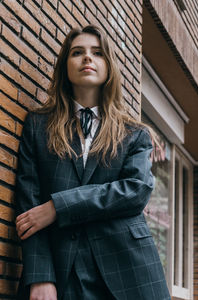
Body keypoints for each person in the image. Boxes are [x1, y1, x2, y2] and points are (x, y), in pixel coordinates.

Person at [15, 24, 171, 300]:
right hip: (63, 271)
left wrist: (57, 207)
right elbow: (29, 207)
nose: (88, 58)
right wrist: (40, 276)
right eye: (78, 52)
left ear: (109, 66)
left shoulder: (135, 133)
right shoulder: (38, 126)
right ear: (65, 66)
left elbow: (135, 191)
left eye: (97, 53)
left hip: (129, 272)